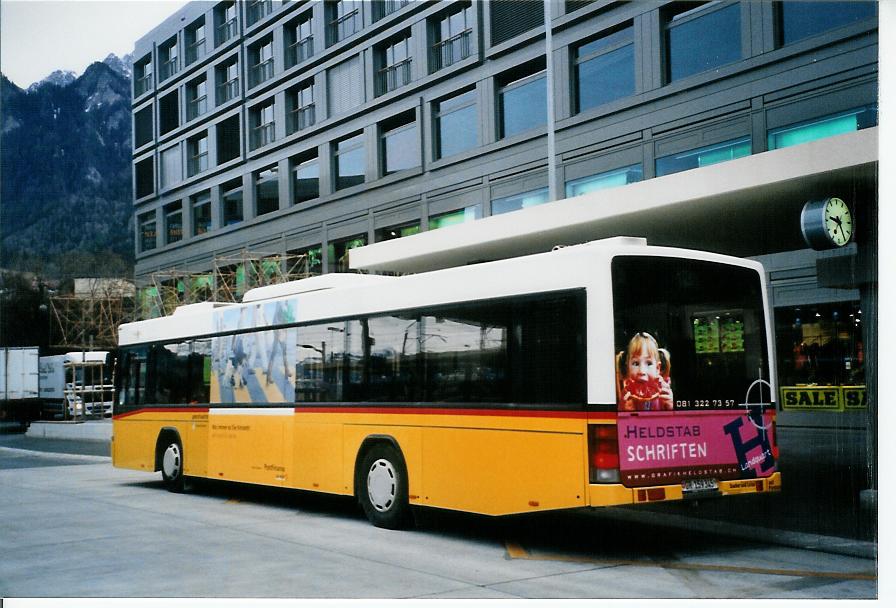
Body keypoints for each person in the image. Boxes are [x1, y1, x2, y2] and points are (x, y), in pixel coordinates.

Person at [616, 332, 673, 411]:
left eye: (649, 363)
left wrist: (670, 407)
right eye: (635, 363)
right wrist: (624, 410)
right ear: (628, 367)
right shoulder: (626, 392)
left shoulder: (665, 392)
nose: (642, 371)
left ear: (657, 368)